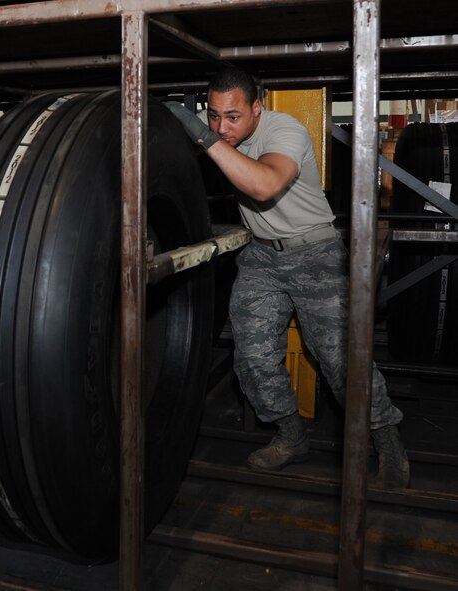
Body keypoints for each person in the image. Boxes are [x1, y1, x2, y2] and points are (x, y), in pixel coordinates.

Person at [166, 66, 410, 489]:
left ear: (257, 108)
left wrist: (204, 138)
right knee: (253, 356)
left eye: (233, 116)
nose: (222, 127)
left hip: (316, 253)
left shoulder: (286, 131)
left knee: (341, 359)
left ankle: (386, 439)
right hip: (262, 256)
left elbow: (264, 186)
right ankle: (291, 436)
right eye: (213, 116)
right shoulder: (228, 135)